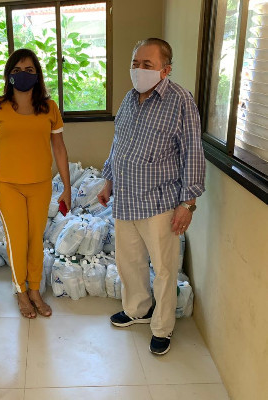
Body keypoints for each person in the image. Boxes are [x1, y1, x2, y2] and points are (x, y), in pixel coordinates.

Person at [98, 38, 205, 355]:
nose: (139, 70)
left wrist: (188, 204)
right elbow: (118, 142)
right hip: (126, 199)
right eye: (135, 63)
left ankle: (162, 327)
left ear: (165, 69)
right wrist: (108, 180)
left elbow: (193, 153)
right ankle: (138, 310)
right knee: (129, 263)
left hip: (160, 203)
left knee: (164, 270)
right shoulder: (129, 99)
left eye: (147, 64)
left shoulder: (181, 102)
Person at [0, 48, 71, 319]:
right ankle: (21, 291)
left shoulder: (49, 108)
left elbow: (60, 148)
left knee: (35, 241)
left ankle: (34, 290)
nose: (23, 74)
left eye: (29, 70)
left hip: (40, 184)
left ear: (38, 75)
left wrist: (67, 187)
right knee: (17, 241)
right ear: (9, 74)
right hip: (7, 186)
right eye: (17, 70)